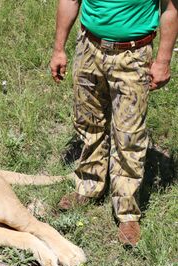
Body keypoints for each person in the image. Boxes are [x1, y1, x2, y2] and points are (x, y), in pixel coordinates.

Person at [50, 0, 178, 246]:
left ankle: (127, 211)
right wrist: (59, 49)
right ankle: (89, 185)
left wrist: (162, 61)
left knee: (128, 134)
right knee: (89, 124)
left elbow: (171, 8)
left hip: (134, 55)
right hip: (89, 48)